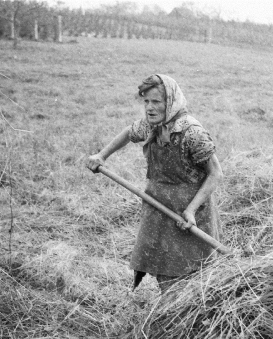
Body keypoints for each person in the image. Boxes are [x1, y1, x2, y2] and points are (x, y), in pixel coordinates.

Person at [86, 74, 223, 293]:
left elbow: (215, 173)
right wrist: (102, 156)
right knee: (163, 264)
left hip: (188, 211)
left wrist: (191, 210)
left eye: (156, 102)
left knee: (193, 269)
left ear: (170, 102)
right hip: (158, 205)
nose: (149, 107)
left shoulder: (192, 132)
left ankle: (191, 313)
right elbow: (129, 132)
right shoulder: (152, 126)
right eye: (146, 101)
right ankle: (170, 307)